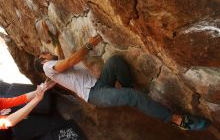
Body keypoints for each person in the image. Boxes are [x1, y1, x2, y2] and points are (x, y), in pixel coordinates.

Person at [34, 34, 210, 131]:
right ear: (43, 60)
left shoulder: (51, 66)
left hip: (99, 84)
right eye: (45, 53)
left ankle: (133, 94)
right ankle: (177, 120)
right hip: (94, 94)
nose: (48, 53)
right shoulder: (48, 67)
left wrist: (54, 38)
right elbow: (70, 61)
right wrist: (89, 45)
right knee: (131, 96)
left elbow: (60, 55)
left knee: (115, 61)